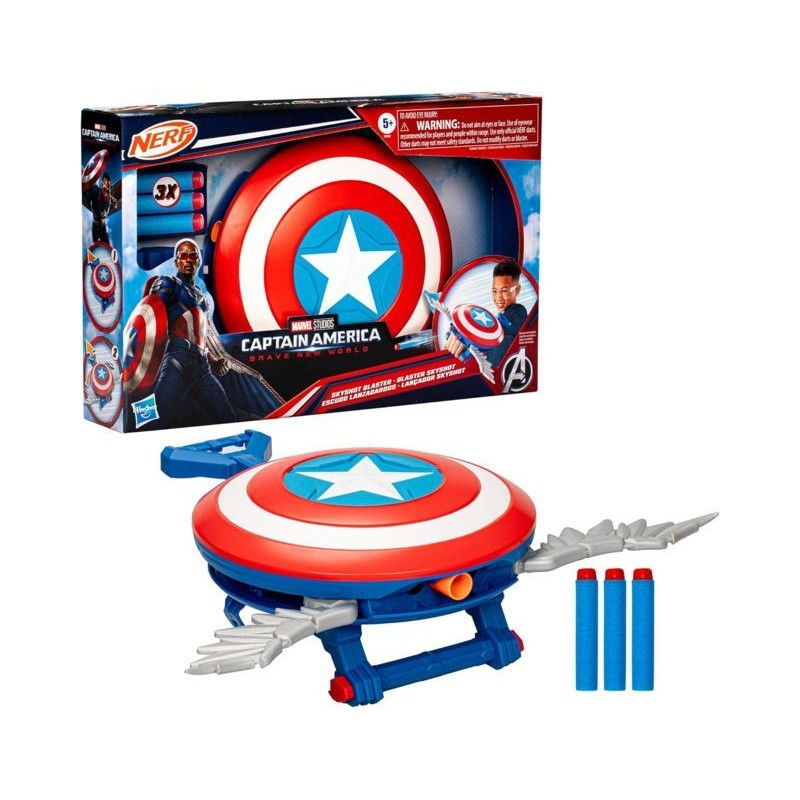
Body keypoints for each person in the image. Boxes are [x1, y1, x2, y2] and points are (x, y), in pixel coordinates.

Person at [149, 238, 236, 426]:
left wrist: (213, 361)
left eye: (193, 256)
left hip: (202, 365)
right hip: (178, 360)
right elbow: (149, 314)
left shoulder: (201, 298)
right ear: (176, 262)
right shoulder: (169, 284)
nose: (188, 260)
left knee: (227, 416)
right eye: (183, 256)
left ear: (198, 261)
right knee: (155, 416)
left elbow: (200, 336)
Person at [445, 257, 528, 366]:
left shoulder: (518, 311)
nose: (498, 298)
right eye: (494, 291)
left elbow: (499, 346)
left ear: (516, 290)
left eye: (504, 291)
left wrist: (470, 345)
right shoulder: (498, 323)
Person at [86, 173, 119, 245]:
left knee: (106, 245)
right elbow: (91, 189)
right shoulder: (97, 191)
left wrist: (115, 202)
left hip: (102, 226)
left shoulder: (109, 196)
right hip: (96, 225)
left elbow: (112, 200)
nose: (107, 184)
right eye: (105, 181)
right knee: (96, 246)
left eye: (108, 182)